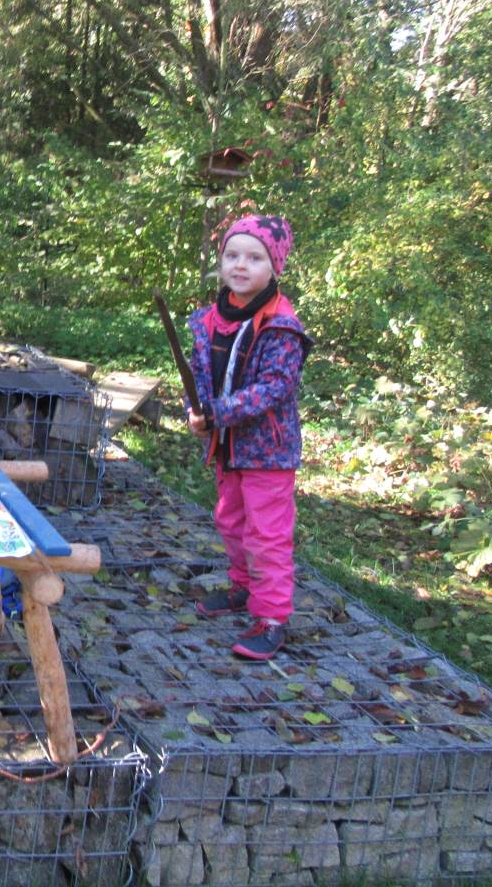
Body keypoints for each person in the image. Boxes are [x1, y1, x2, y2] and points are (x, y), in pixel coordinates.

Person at [186, 214, 312, 661]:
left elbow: (274, 387)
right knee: (230, 521)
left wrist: (217, 413)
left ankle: (272, 617)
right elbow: (199, 379)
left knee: (266, 535)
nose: (240, 265)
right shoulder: (210, 320)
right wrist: (195, 412)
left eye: (254, 258)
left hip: (267, 453)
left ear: (274, 267)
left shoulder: (281, 326)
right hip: (228, 449)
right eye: (232, 255)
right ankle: (242, 587)